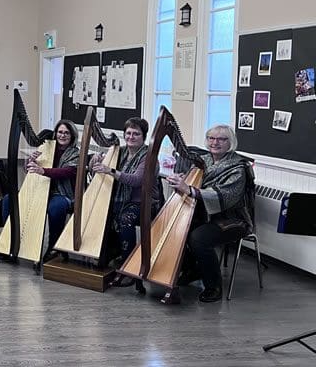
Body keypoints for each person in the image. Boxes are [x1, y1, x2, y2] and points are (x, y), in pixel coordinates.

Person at [168, 125, 252, 303]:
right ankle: (193, 270)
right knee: (174, 228)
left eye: (221, 139)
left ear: (231, 143)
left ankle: (213, 286)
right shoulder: (203, 160)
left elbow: (221, 195)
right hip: (204, 214)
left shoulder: (238, 167)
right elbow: (192, 182)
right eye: (211, 138)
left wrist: (189, 189)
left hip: (231, 219)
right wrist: (179, 180)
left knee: (198, 238)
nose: (215, 142)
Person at [90, 117, 156, 290]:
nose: (131, 137)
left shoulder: (148, 157)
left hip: (142, 202)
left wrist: (111, 170)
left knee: (125, 220)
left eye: (136, 134)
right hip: (121, 199)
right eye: (128, 133)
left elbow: (136, 181)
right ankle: (107, 253)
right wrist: (96, 160)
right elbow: (96, 169)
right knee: (100, 212)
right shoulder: (121, 152)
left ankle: (130, 268)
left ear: (144, 136)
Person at [0, 119, 80, 262]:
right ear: (55, 133)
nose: (62, 135)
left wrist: (43, 170)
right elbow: (29, 171)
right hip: (40, 188)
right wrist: (30, 161)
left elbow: (67, 172)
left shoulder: (75, 153)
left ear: (72, 136)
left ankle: (54, 247)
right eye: (60, 132)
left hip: (61, 193)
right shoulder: (47, 147)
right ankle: (11, 241)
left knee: (56, 208)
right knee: (8, 200)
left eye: (66, 133)